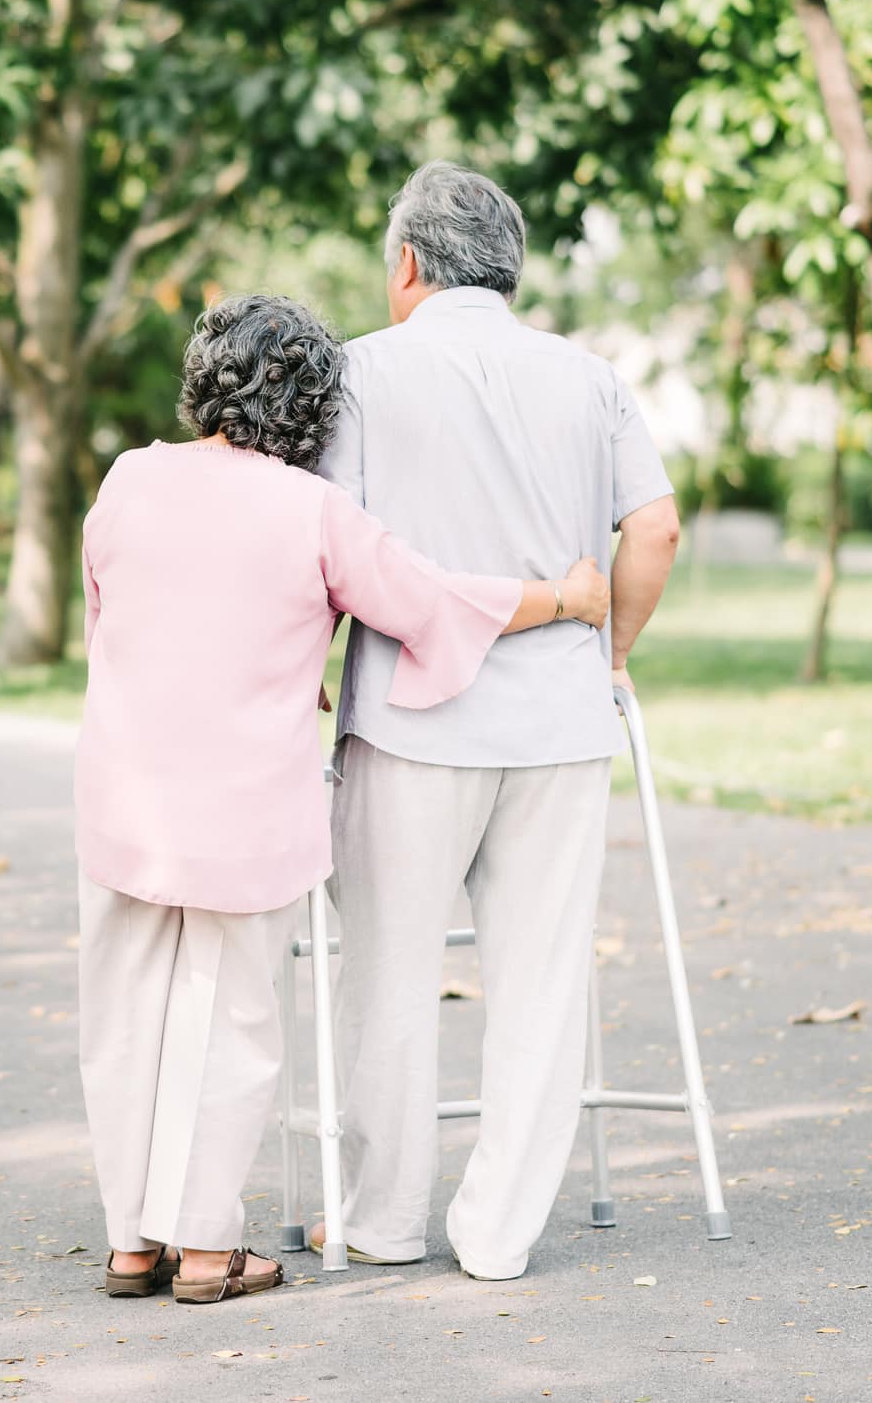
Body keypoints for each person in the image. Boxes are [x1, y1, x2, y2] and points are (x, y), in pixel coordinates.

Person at [75, 293, 611, 1305]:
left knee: (124, 1011)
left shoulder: (127, 478)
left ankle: (129, 1241)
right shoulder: (310, 510)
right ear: (314, 407)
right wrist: (570, 598)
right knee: (231, 1018)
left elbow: (108, 615)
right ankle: (202, 1246)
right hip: (246, 813)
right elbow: (430, 600)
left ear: (202, 379)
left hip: (125, 796)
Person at [311, 162, 683, 1281]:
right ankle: (499, 1232)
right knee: (540, 977)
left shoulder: (362, 373)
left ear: (409, 264)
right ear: (508, 268)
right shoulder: (588, 376)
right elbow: (654, 529)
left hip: (412, 724)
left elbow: (323, 538)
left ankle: (380, 1221)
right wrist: (607, 652)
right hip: (560, 720)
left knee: (387, 972)